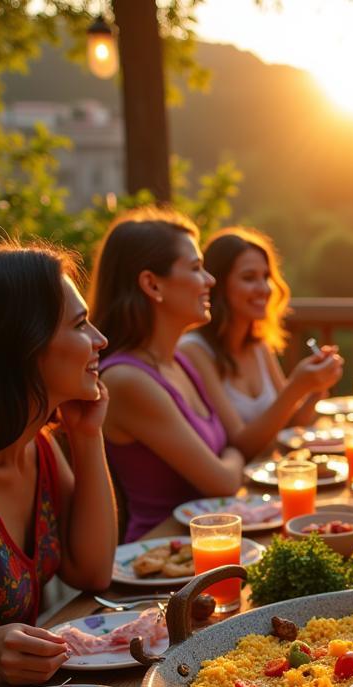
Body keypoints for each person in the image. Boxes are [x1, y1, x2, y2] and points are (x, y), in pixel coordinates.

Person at [0, 242, 116, 687]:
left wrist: (88, 437)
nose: (100, 339)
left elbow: (92, 571)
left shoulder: (39, 447)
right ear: (22, 345)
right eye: (79, 324)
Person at [91, 207, 245, 542]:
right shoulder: (127, 380)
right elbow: (222, 482)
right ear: (152, 284)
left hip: (210, 546)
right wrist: (234, 455)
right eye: (195, 268)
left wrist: (230, 456)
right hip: (157, 562)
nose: (210, 280)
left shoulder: (180, 361)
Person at [180, 227, 344, 459]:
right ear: (217, 284)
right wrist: (296, 387)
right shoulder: (193, 350)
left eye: (266, 277)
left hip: (273, 477)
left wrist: (315, 388)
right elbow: (241, 445)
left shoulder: (258, 346)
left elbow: (289, 425)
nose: (265, 288)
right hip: (238, 488)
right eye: (249, 278)